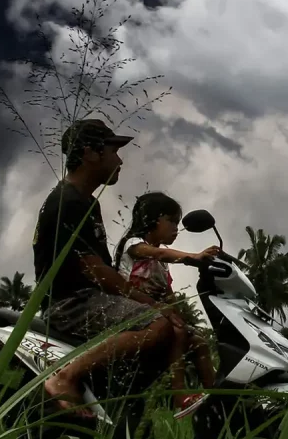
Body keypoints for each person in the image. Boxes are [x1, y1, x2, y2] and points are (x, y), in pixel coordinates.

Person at [33, 119, 183, 418]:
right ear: (90, 153)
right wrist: (150, 303)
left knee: (175, 335)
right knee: (157, 323)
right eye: (113, 151)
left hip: (90, 300)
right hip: (70, 304)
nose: (120, 159)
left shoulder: (87, 202)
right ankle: (65, 376)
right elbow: (95, 270)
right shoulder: (67, 201)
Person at [113, 191, 219, 418]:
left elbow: (167, 293)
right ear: (153, 219)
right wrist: (194, 257)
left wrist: (180, 315)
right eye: (171, 221)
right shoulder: (134, 244)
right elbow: (160, 252)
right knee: (178, 332)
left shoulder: (161, 265)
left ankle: (216, 396)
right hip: (128, 308)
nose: (175, 228)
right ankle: (179, 395)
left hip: (153, 312)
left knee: (199, 340)